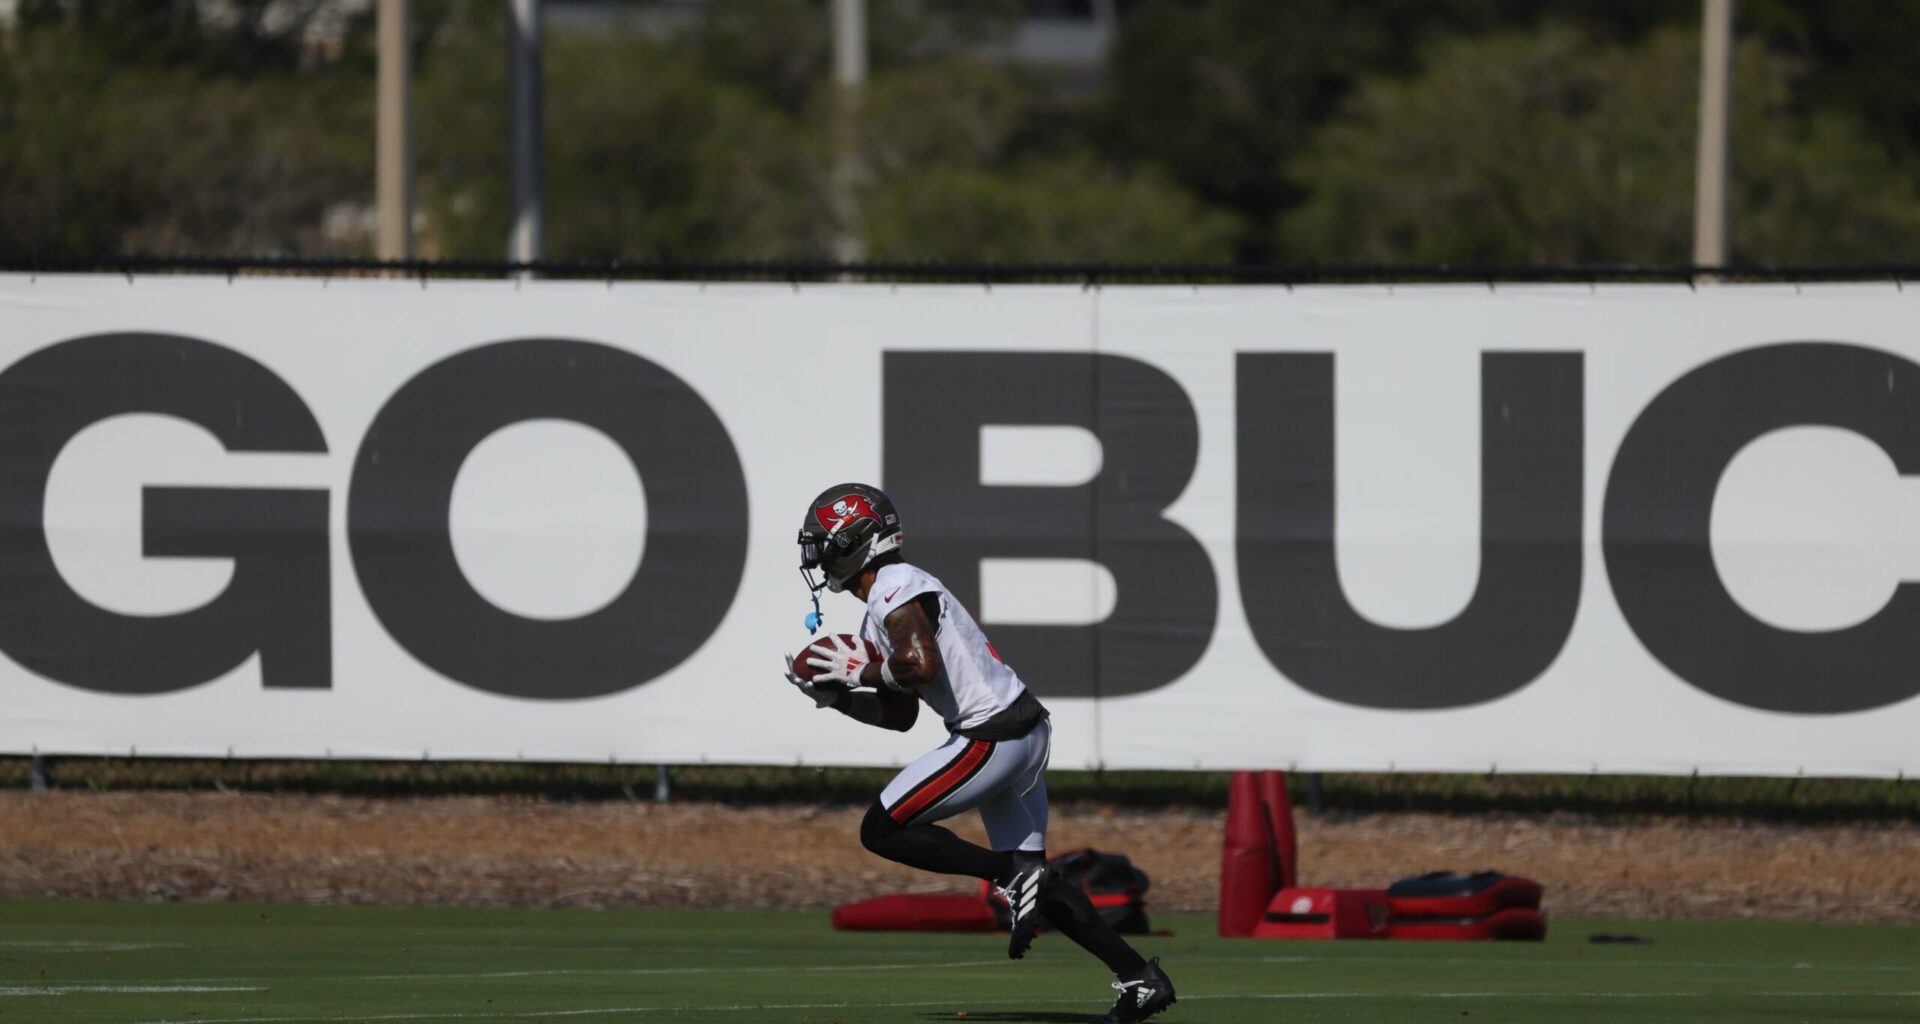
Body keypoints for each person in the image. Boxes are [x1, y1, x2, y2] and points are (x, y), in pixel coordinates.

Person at [783, 483, 1176, 1024]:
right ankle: (1141, 979)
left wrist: (860, 671)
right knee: (1044, 886)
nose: (819, 554)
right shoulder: (887, 601)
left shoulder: (895, 585)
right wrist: (839, 697)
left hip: (993, 734)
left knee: (881, 829)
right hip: (1020, 730)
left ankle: (1007, 875)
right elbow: (901, 715)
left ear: (857, 543)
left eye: (826, 542)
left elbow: (920, 666)